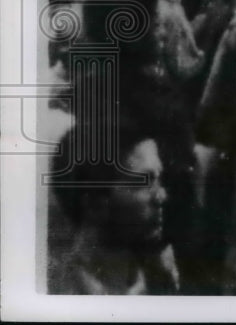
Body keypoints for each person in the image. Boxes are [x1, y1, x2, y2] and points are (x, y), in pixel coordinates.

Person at [50, 113, 177, 294]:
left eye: (159, 179)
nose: (162, 196)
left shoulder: (158, 277)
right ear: (94, 205)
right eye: (144, 182)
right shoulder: (62, 296)